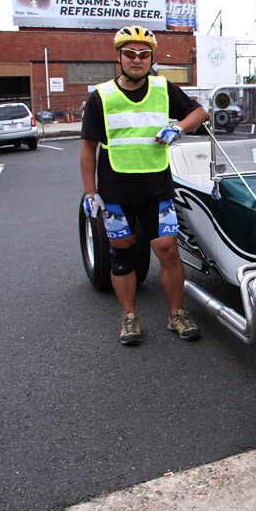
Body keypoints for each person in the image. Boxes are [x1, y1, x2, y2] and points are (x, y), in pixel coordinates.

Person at [80, 25, 209, 346]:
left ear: (151, 58)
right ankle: (129, 317)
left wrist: (177, 128)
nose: (137, 60)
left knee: (168, 252)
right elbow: (87, 148)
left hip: (157, 191)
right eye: (130, 54)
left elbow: (201, 112)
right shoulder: (102, 97)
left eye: (143, 54)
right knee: (121, 256)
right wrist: (89, 192)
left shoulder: (163, 89)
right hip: (115, 195)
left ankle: (176, 313)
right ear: (119, 57)